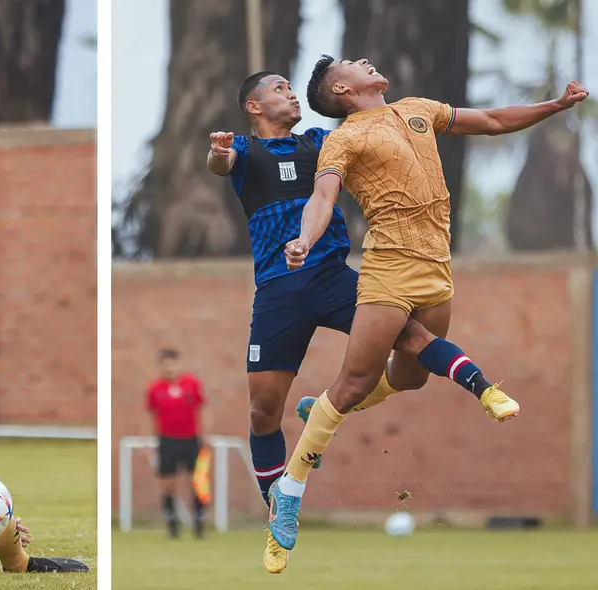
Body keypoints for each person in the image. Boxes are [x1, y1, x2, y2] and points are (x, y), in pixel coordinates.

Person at [269, 54, 589, 555]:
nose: (367, 61)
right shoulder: (344, 137)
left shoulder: (418, 108)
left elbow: (492, 121)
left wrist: (556, 104)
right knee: (353, 383)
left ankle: (322, 409)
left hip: (436, 266)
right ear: (343, 91)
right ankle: (289, 489)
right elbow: (322, 197)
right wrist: (304, 240)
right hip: (388, 270)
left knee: (412, 375)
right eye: (354, 64)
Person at [206, 70, 521, 574]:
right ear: (253, 107)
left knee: (414, 338)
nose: (290, 94)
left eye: (293, 87)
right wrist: (219, 155)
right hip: (278, 291)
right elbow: (220, 165)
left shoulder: (322, 142)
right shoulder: (244, 150)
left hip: (335, 276)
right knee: (264, 412)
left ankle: (484, 387)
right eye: (279, 89)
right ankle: (277, 505)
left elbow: (373, 139)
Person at [145, 349, 207, 539]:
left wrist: (205, 436)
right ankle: (172, 526)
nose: (169, 367)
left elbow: (202, 409)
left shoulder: (191, 384)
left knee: (196, 482)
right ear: (161, 366)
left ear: (178, 364)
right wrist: (149, 440)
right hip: (167, 441)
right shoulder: (155, 388)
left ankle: (199, 524)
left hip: (190, 439)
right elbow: (149, 415)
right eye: (165, 364)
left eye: (172, 363)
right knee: (168, 484)